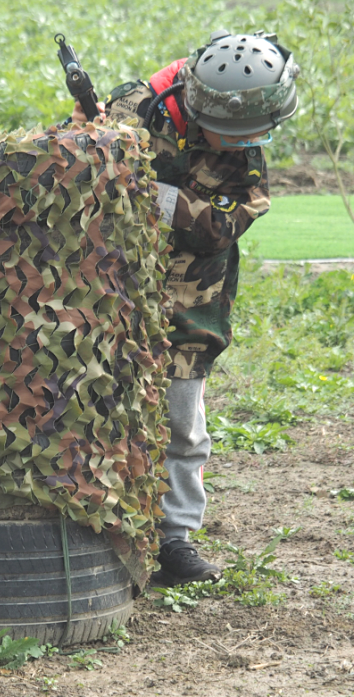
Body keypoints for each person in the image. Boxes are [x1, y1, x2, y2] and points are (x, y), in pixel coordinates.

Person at [73, 29, 300, 585]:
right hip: (107, 287)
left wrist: (149, 190)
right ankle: (94, 525)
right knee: (92, 404)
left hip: (190, 302)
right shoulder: (140, 109)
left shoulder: (247, 162)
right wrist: (88, 139)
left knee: (180, 421)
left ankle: (173, 537)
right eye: (222, 133)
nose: (233, 143)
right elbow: (78, 167)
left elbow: (219, 227)